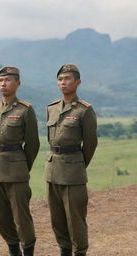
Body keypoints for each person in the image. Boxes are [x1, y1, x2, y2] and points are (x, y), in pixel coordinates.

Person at [0, 66, 40, 256]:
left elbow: (33, 144)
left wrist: (23, 167)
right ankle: (13, 251)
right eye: (0, 80)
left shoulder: (25, 110)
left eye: (8, 80)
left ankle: (28, 251)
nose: (3, 84)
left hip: (16, 172)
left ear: (18, 84)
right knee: (1, 217)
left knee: (21, 217)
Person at [44, 64, 98, 256]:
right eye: (60, 79)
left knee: (75, 219)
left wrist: (78, 165)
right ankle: (64, 251)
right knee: (57, 219)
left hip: (73, 172)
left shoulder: (84, 110)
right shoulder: (51, 108)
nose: (63, 83)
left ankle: (80, 252)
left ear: (78, 82)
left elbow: (90, 144)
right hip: (52, 170)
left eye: (67, 79)